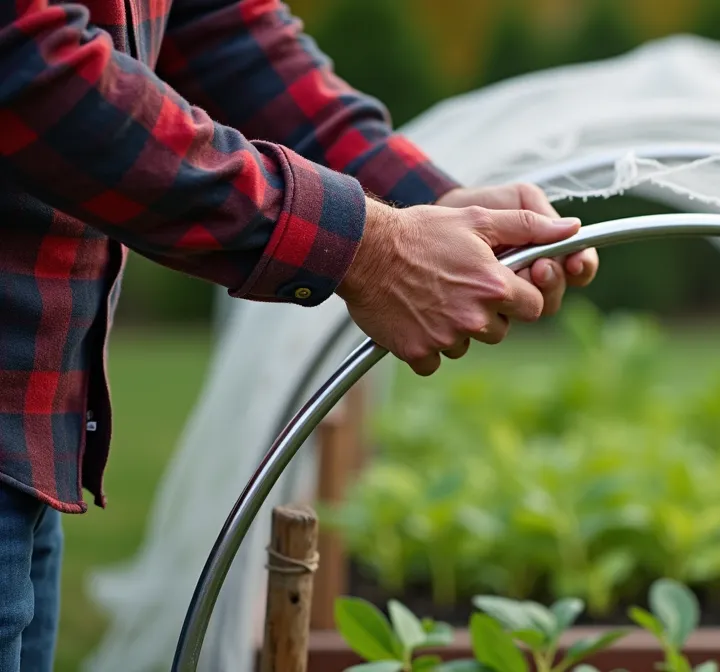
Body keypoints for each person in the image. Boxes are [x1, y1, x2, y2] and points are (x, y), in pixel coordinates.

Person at [0, 1, 600, 669]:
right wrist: (371, 246)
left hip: (27, 443)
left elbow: (221, 35)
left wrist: (427, 207)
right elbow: (28, 64)